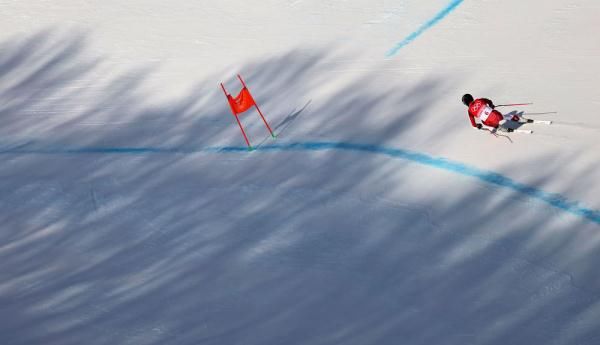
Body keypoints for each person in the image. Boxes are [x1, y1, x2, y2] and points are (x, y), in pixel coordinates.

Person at [462, 94, 532, 132]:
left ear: (465, 103)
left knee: (483, 121)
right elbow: (489, 101)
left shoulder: (470, 111)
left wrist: (478, 125)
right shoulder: (479, 100)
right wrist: (491, 106)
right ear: (472, 97)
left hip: (489, 122)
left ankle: (499, 127)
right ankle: (519, 119)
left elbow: (473, 124)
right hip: (497, 115)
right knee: (504, 116)